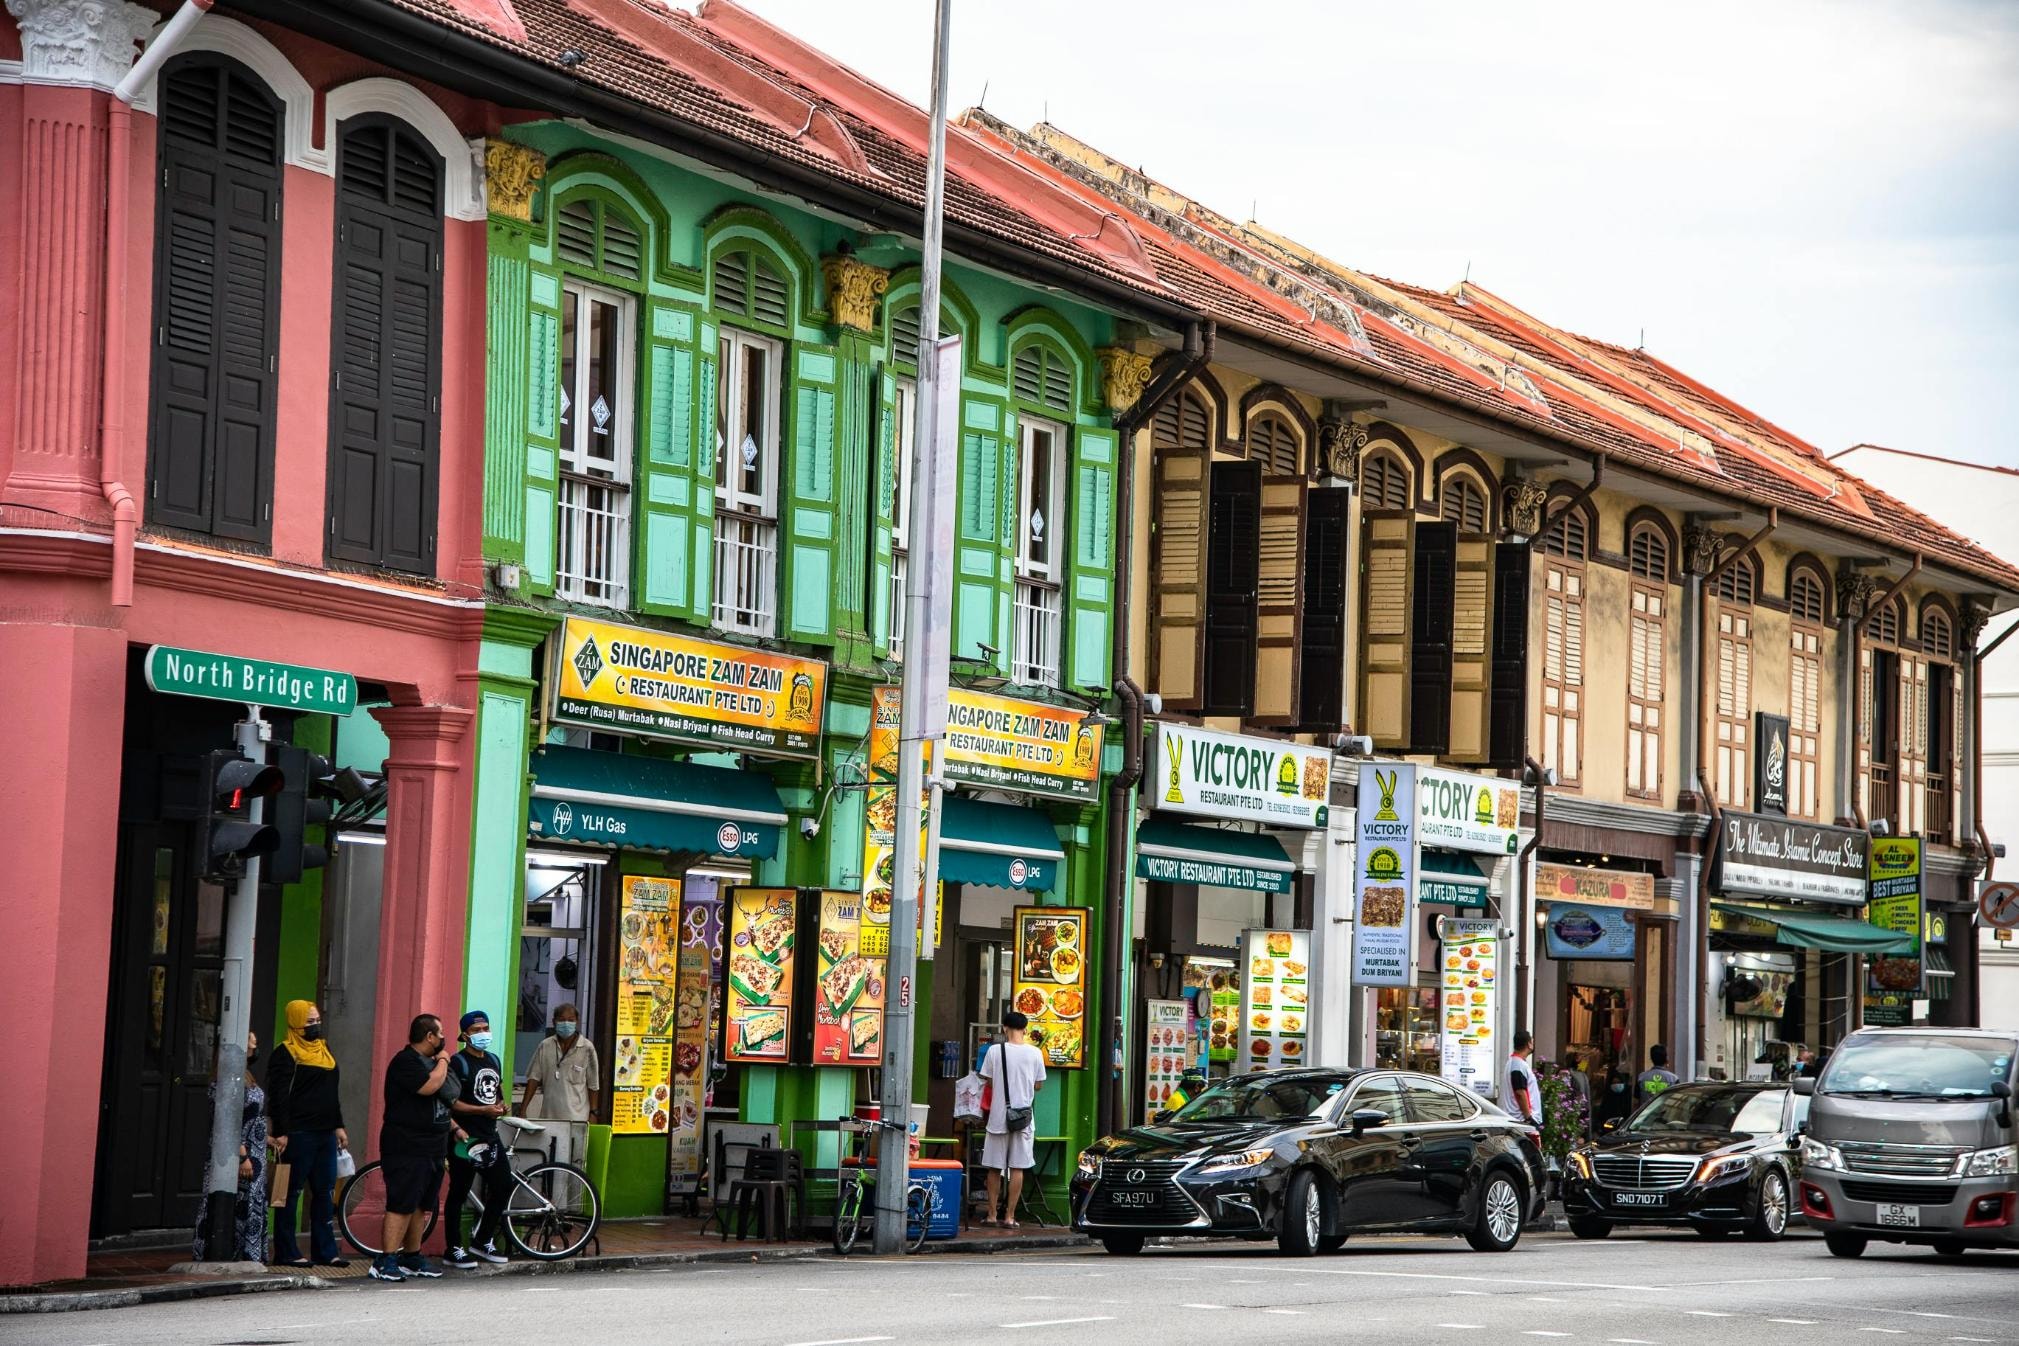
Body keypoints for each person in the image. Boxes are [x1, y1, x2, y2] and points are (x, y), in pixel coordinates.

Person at [372, 1014, 464, 1282]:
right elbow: (429, 1087)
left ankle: (412, 1256)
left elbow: (444, 1102)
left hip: (434, 1146)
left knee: (421, 1204)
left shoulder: (431, 1063)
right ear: (429, 1037)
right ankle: (386, 1259)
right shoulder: (406, 1062)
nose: (444, 1038)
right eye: (441, 1033)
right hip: (406, 1145)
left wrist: (454, 1128)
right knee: (401, 1203)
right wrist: (445, 1060)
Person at [266, 999, 348, 1268]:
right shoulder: (285, 1053)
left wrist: (338, 1125)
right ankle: (287, 1251)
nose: (315, 1026)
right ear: (295, 1022)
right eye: (309, 1021)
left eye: (317, 1021)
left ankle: (326, 1251)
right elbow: (278, 1097)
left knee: (324, 1191)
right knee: (290, 1192)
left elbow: (331, 1093)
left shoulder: (324, 1050)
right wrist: (281, 1131)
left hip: (325, 1132)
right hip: (298, 1133)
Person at [443, 1011, 513, 1269]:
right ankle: (452, 1248)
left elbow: (497, 1093)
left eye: (486, 1028)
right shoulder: (457, 1063)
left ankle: (482, 1239)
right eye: (476, 1030)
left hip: (489, 1135)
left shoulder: (493, 1060)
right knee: (459, 1192)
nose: (483, 1034)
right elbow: (451, 1102)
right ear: (464, 1035)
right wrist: (481, 1111)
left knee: (503, 1185)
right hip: (464, 1138)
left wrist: (499, 1107)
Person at [192, 1030, 267, 1263]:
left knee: (251, 1202)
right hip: (241, 1152)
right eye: (250, 1037)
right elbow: (230, 1119)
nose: (255, 1041)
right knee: (238, 1203)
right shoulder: (227, 1079)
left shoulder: (246, 1075)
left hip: (256, 1149)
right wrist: (242, 1155)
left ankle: (250, 1254)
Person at [979, 1010, 1046, 1229]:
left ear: (1004, 1028)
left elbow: (988, 1081)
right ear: (1025, 1029)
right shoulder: (1035, 1053)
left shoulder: (994, 1052)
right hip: (1024, 1119)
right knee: (1018, 1168)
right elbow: (1038, 1084)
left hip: (999, 1116)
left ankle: (991, 1214)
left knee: (994, 1167)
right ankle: (1009, 1216)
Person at [518, 1002, 600, 1166]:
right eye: (562, 1020)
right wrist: (523, 1109)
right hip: (549, 1118)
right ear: (554, 1021)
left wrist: (593, 1113)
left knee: (573, 1163)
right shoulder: (545, 1045)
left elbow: (593, 1085)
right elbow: (533, 1078)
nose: (566, 1023)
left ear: (577, 1021)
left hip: (576, 1119)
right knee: (548, 1161)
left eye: (570, 1019)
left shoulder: (587, 1048)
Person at [1501, 1030, 1542, 1127]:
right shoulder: (1518, 1065)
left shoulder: (1513, 1063)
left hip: (1518, 1120)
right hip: (1522, 1121)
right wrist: (1528, 1118)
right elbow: (1520, 1092)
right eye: (1532, 1041)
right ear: (1529, 1044)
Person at [1594, 1066, 1635, 1131]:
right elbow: (1602, 1114)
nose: (1616, 1085)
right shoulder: (1608, 1096)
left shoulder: (1628, 1096)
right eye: (1614, 1083)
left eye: (1619, 1082)